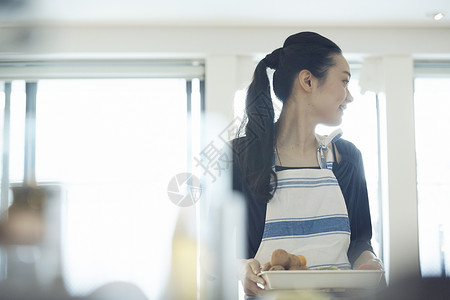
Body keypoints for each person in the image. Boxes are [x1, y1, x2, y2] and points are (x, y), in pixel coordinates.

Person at [232, 31, 383, 297]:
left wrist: (369, 262)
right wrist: (240, 268)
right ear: (308, 80)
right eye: (344, 82)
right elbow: (212, 249)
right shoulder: (241, 156)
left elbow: (360, 241)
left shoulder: (347, 158)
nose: (349, 97)